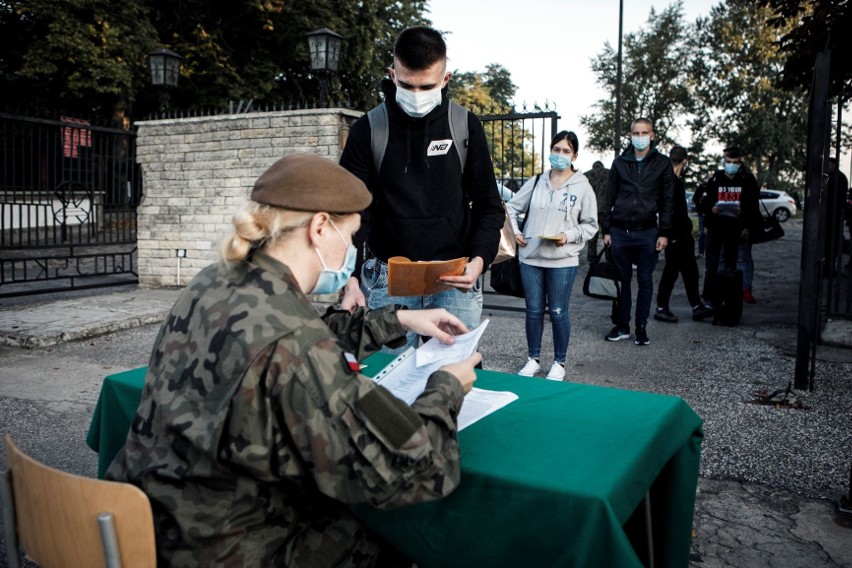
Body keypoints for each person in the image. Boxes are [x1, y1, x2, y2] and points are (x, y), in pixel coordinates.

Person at [106, 154, 481, 567]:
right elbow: (409, 473)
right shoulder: (296, 345)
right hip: (223, 548)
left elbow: (288, 337)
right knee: (391, 538)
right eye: (352, 235)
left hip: (145, 521)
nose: (353, 249)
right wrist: (446, 386)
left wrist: (400, 318)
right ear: (320, 228)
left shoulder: (215, 280)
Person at [339, 26, 504, 348]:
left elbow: (489, 205)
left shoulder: (464, 126)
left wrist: (479, 261)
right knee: (388, 386)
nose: (416, 96)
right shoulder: (368, 129)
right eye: (405, 85)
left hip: (455, 282)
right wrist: (351, 279)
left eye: (426, 86)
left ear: (446, 79)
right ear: (392, 74)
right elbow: (349, 214)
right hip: (389, 282)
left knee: (450, 382)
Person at [506, 131, 598, 380]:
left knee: (558, 311)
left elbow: (590, 225)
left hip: (562, 261)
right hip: (530, 258)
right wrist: (516, 232)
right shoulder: (537, 181)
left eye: (566, 151)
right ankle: (533, 359)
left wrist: (567, 236)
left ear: (574, 155)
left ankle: (559, 363)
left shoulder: (583, 187)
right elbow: (511, 207)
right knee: (533, 311)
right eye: (556, 149)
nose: (560, 155)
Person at [601, 117, 675, 346]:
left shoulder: (662, 164)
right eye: (636, 133)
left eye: (644, 133)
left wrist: (664, 233)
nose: (640, 137)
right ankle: (622, 325)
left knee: (645, 281)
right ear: (630, 135)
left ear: (652, 135)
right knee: (621, 282)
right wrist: (606, 229)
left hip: (647, 233)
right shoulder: (620, 162)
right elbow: (609, 196)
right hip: (620, 231)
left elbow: (668, 201)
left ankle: (641, 327)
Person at [654, 146, 714, 323]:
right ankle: (663, 307)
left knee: (688, 271)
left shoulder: (672, 180)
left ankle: (695, 306)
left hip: (679, 234)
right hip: (676, 235)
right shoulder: (671, 182)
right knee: (673, 271)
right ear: (685, 161)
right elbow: (668, 210)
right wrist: (669, 234)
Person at [698, 147, 761, 309]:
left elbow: (752, 205)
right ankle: (709, 297)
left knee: (735, 263)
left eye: (735, 162)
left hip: (736, 228)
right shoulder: (716, 179)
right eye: (728, 162)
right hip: (716, 227)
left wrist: (746, 224)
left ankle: (733, 295)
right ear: (723, 162)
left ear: (740, 163)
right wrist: (711, 212)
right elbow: (704, 202)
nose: (731, 165)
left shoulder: (746, 180)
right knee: (713, 264)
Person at [584, 160, 610, 264]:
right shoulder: (609, 173)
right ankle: (609, 258)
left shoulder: (586, 175)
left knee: (592, 237)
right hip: (605, 210)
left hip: (591, 210)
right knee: (607, 235)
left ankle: (592, 259)